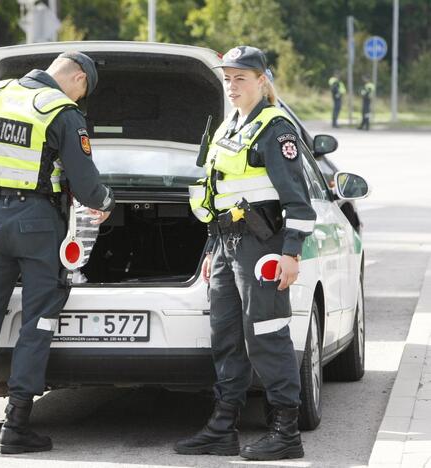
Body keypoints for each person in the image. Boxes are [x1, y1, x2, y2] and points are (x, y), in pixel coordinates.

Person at [0, 51, 114, 456]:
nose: (80, 99)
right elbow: (85, 183)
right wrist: (105, 200)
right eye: (84, 91)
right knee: (38, 321)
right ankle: (15, 428)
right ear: (78, 78)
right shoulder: (60, 111)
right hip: (37, 224)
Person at [176, 46, 316, 461]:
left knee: (267, 338)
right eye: (227, 78)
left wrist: (291, 253)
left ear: (262, 80)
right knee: (227, 338)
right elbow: (217, 195)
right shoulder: (226, 127)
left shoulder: (275, 129)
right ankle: (223, 428)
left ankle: (286, 432)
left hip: (262, 249)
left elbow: (299, 202)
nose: (232, 85)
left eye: (241, 77)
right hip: (224, 246)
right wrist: (210, 248)